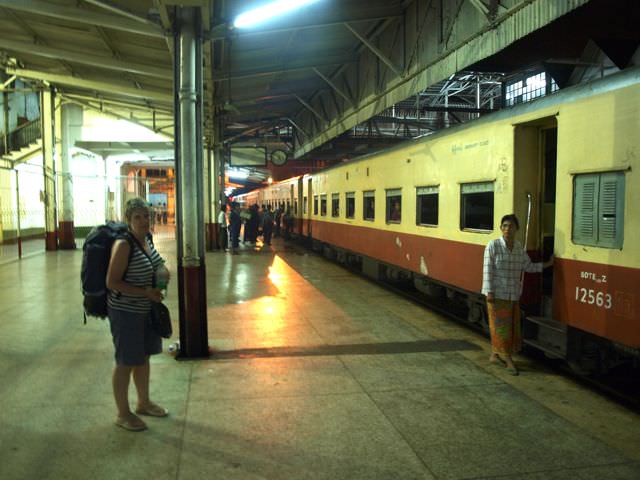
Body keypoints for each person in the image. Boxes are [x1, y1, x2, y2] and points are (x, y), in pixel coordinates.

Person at [105, 197, 169, 431]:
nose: (143, 221)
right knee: (126, 361)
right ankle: (122, 413)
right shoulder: (124, 245)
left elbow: (157, 263)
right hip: (125, 312)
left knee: (143, 357)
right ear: (128, 220)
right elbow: (112, 282)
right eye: (137, 217)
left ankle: (143, 402)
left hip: (145, 310)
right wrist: (145, 292)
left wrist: (163, 272)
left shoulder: (147, 240)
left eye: (146, 216)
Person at [481, 213, 553, 375]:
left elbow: (527, 267)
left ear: (517, 229)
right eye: (504, 226)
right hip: (497, 294)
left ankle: (495, 354)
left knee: (510, 327)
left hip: (513, 294)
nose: (507, 229)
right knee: (501, 327)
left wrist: (547, 264)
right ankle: (507, 359)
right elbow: (487, 270)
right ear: (501, 228)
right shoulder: (493, 245)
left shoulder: (519, 247)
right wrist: (489, 291)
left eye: (511, 226)